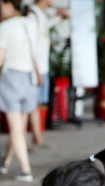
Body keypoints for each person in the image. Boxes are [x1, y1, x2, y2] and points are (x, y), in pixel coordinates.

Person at [0, 0, 41, 182]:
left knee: (15, 128)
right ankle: (5, 162)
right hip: (29, 78)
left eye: (0, 7)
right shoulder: (31, 23)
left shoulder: (5, 27)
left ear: (8, 5)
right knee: (19, 128)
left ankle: (25, 170)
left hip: (12, 78)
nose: (0, 11)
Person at [26, 0, 68, 146]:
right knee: (29, 104)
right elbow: (30, 46)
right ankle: (26, 138)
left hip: (42, 68)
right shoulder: (33, 16)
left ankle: (35, 136)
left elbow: (44, 29)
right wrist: (36, 71)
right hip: (36, 68)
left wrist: (59, 17)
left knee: (36, 104)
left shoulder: (41, 15)